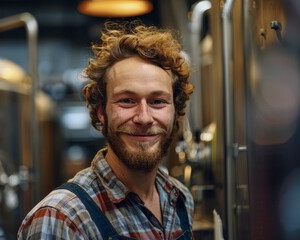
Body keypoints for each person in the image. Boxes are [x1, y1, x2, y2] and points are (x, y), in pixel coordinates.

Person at [18, 20, 194, 240]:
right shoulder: (61, 219)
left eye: (158, 101)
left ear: (176, 111)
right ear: (101, 111)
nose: (144, 117)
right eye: (127, 100)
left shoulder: (179, 198)